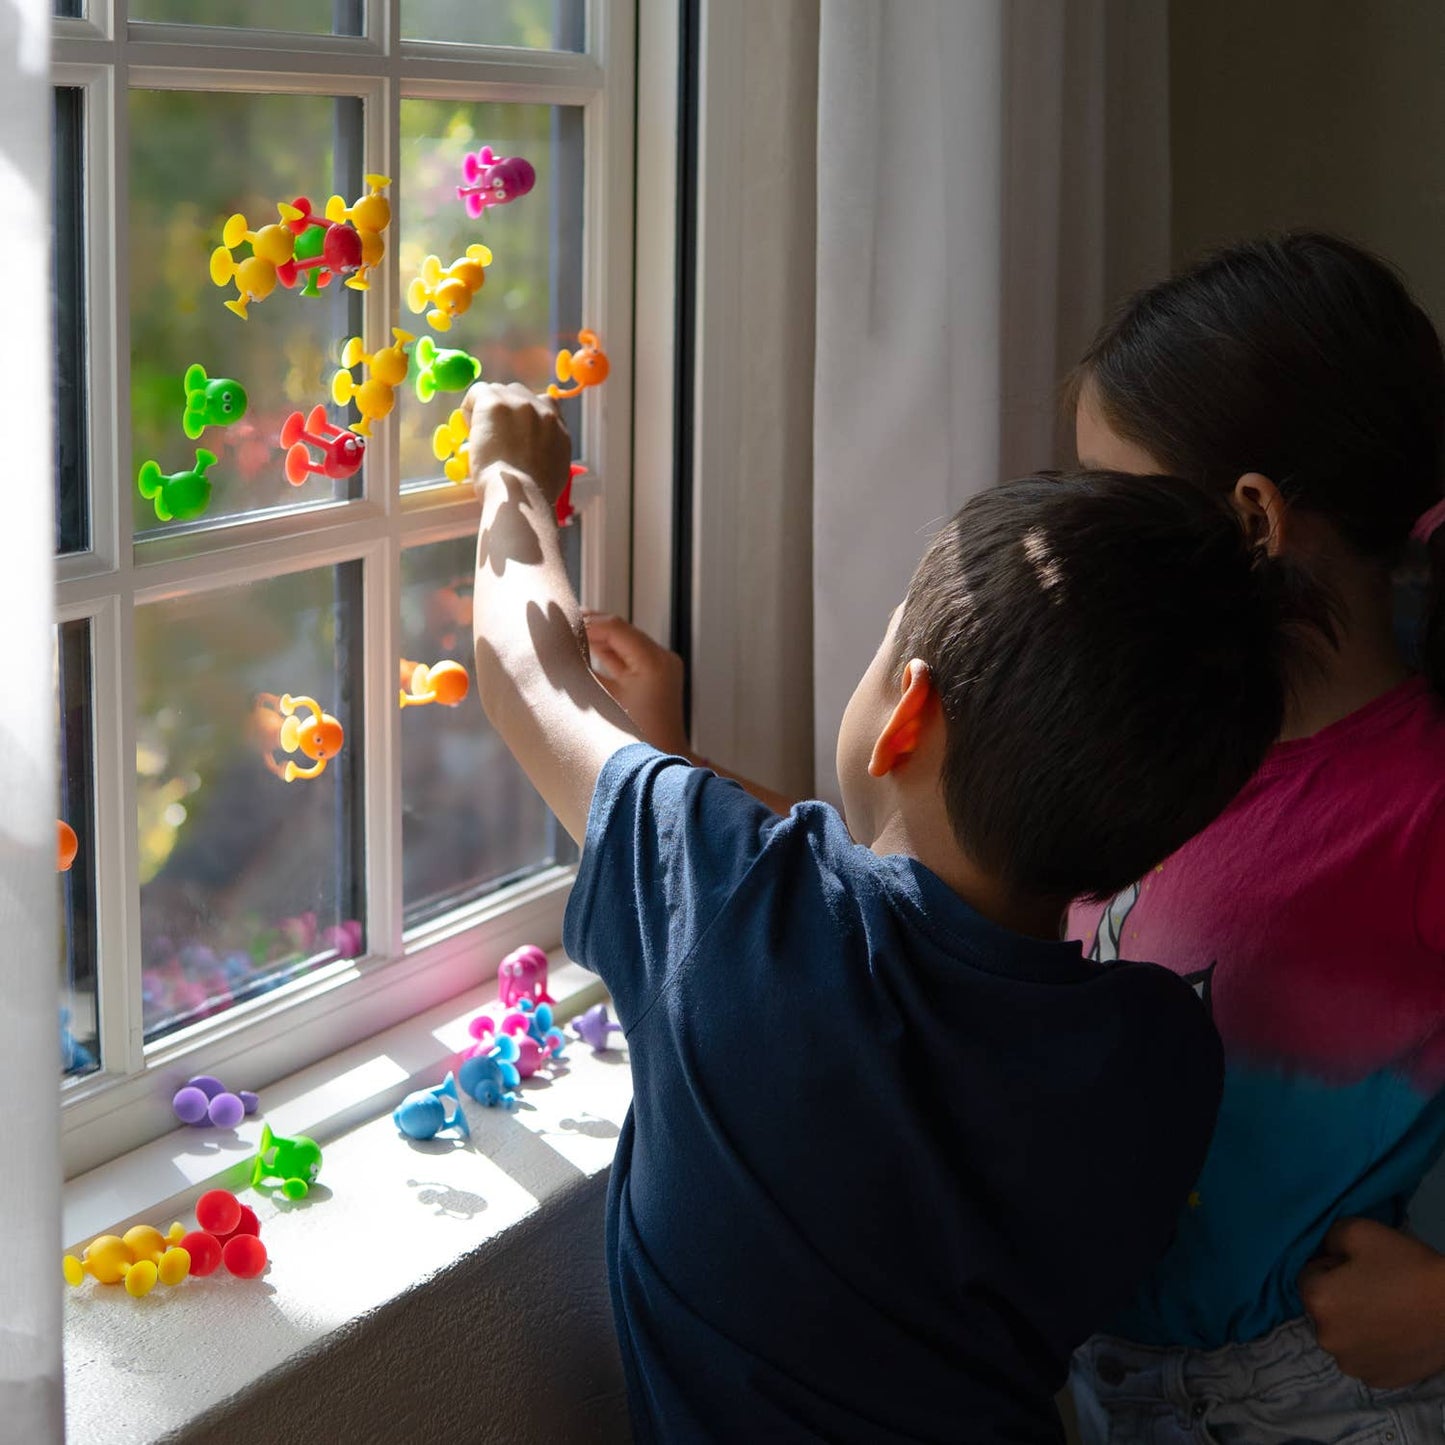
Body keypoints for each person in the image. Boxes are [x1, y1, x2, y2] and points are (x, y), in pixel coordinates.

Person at [464, 379, 1312, 1442]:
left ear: (904, 712)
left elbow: (523, 676)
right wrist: (672, 773)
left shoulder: (739, 905)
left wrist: (510, 474)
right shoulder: (1159, 1052)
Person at [1060, 233, 1445, 1441]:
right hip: (1087, 1375)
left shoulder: (1421, 804)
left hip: (1305, 1405)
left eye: (1110, 496)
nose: (1077, 536)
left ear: (1251, 520)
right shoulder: (1139, 738)